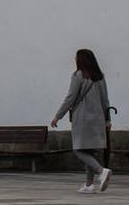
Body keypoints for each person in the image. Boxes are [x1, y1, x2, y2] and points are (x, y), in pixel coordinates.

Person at [48, 49, 112, 194]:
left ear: (81, 60)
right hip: (98, 118)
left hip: (82, 118)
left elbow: (70, 98)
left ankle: (101, 171)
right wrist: (108, 120)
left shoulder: (78, 76)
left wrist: (58, 116)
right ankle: (89, 185)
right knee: (89, 150)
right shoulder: (100, 77)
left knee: (78, 149)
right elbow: (105, 101)